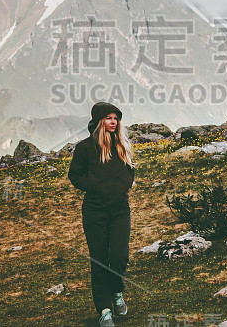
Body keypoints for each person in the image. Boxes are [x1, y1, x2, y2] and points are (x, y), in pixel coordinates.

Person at [68, 101, 135, 327]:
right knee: (99, 261)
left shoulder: (121, 144)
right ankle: (104, 310)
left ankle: (117, 291)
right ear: (99, 122)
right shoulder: (85, 148)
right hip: (94, 211)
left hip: (119, 210)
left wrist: (123, 185)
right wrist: (96, 185)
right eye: (109, 118)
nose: (113, 122)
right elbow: (74, 176)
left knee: (118, 256)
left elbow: (130, 171)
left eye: (116, 118)